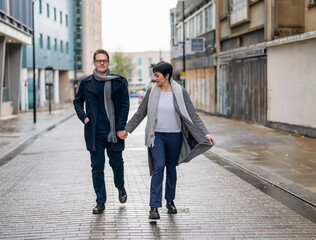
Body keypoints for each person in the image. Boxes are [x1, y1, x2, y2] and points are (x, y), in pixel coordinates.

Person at [118, 61, 215, 220]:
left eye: (157, 75)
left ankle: (170, 201)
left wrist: (205, 133)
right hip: (156, 136)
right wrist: (127, 129)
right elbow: (140, 113)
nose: (155, 78)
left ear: (167, 75)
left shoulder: (180, 92)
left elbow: (193, 115)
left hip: (175, 136)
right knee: (159, 167)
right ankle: (154, 207)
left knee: (171, 168)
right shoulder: (151, 92)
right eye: (154, 75)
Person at [73, 49, 130, 214]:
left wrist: (121, 127)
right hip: (94, 133)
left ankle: (120, 187)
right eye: (99, 61)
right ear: (94, 63)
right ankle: (100, 201)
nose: (102, 63)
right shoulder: (87, 82)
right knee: (97, 167)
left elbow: (125, 105)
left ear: (108, 62)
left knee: (117, 164)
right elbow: (77, 102)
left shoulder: (119, 82)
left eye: (104, 60)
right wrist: (83, 117)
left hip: (114, 133)